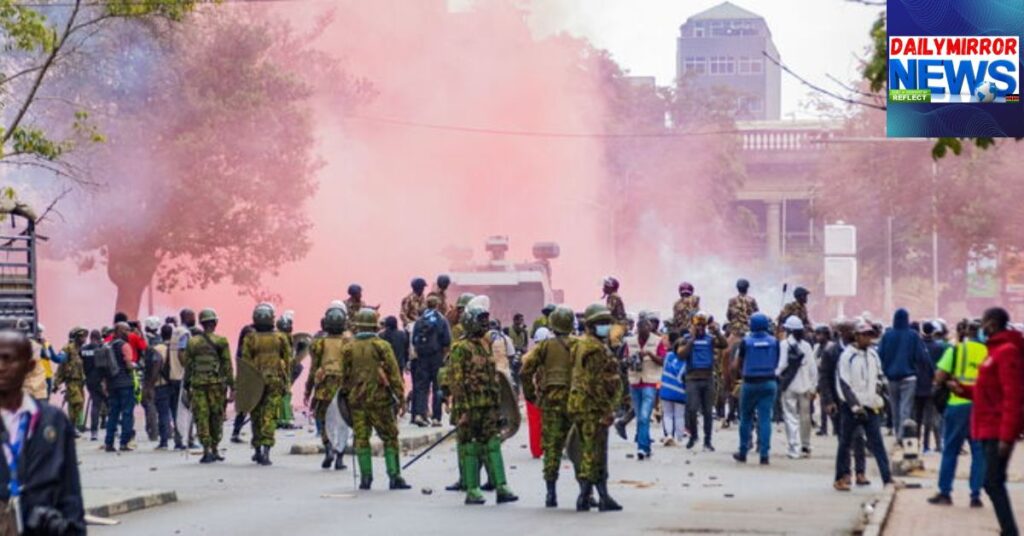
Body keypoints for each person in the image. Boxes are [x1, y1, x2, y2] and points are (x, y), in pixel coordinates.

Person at [0, 330, 86, 535]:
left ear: (29, 367)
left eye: (8, 359)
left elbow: (70, 491)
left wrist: (72, 528)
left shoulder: (53, 420)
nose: (1, 367)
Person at [948, 307, 1023, 536]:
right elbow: (988, 391)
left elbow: (1013, 395)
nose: (982, 327)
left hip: (997, 427)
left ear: (992, 323)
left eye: (984, 322)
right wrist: (963, 390)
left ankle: (1010, 531)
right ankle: (1008, 530)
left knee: (992, 482)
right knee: (993, 482)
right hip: (986, 425)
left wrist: (1007, 435)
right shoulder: (993, 352)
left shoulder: (1006, 352)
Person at [448, 299, 518, 505]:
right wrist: (462, 410)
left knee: (493, 443)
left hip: (488, 405)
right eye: (481, 320)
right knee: (470, 446)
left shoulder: (485, 345)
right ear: (470, 322)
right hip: (470, 407)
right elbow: (457, 381)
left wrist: (499, 407)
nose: (485, 324)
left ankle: (502, 487)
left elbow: (494, 377)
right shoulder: (460, 348)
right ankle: (472, 489)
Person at [340, 309, 409, 491]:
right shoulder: (382, 346)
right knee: (390, 436)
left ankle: (365, 479)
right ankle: (394, 476)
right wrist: (401, 398)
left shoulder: (348, 348)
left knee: (361, 438)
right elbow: (394, 374)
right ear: (374, 325)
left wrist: (347, 397)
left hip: (357, 402)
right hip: (380, 402)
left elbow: (344, 379)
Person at [568, 304, 622, 512]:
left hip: (582, 405)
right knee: (593, 451)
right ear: (590, 326)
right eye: (601, 323)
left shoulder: (582, 344)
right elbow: (595, 383)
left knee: (593, 450)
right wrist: (607, 409)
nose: (606, 326)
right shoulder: (594, 349)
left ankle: (602, 495)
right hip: (593, 408)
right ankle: (585, 495)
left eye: (607, 322)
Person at [928, 319, 988, 507]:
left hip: (957, 406)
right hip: (981, 408)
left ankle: (945, 493)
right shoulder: (991, 353)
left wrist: (948, 383)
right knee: (979, 453)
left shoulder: (955, 350)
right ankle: (975, 496)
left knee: (951, 451)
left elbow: (938, 377)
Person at [520, 306, 576, 507]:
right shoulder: (580, 345)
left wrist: (530, 395)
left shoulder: (544, 347)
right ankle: (586, 491)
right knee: (580, 446)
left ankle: (551, 493)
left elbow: (525, 371)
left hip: (550, 401)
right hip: (575, 402)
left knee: (551, 448)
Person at [834, 322, 896, 491]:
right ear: (857, 336)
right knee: (845, 443)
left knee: (878, 444)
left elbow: (879, 377)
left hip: (870, 405)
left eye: (870, 335)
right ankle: (840, 478)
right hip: (852, 407)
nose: (868, 338)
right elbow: (844, 383)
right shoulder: (847, 356)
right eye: (865, 335)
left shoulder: (873, 356)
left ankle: (887, 479)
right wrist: (855, 406)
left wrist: (880, 395)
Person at [241, 303, 292, 466]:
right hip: (275, 380)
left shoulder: (250, 338)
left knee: (256, 415)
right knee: (270, 415)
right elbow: (288, 360)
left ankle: (256, 449)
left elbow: (245, 362)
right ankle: (266, 450)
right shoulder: (280, 338)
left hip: (255, 380)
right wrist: (287, 381)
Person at [182, 309, 233, 464]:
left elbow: (188, 366)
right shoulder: (221, 341)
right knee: (216, 416)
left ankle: (206, 450)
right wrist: (233, 387)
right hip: (217, 386)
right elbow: (227, 365)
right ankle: (215, 448)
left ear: (202, 323)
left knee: (201, 417)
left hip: (198, 386)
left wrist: (186, 385)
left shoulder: (193, 342)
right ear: (215, 323)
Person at [305, 306, 350, 470]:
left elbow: (313, 369)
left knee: (323, 419)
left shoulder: (318, 343)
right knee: (343, 421)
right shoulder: (349, 342)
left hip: (324, 385)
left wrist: (307, 390)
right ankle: (339, 457)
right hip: (344, 387)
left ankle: (328, 449)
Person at [733, 313, 779, 465]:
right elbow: (777, 360)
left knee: (745, 418)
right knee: (765, 419)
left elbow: (737, 363)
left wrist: (740, 373)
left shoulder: (746, 342)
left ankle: (743, 451)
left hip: (750, 383)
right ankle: (764, 454)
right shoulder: (774, 341)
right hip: (769, 383)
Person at [676, 312, 726, 451]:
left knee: (708, 412)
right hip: (692, 379)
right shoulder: (685, 339)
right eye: (698, 325)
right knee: (692, 409)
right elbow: (680, 355)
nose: (700, 328)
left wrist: (716, 331)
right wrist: (691, 341)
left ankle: (707, 440)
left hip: (708, 378)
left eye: (702, 325)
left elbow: (724, 344)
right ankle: (694, 436)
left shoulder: (710, 339)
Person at [878, 308, 929, 443]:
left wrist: (885, 369)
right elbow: (921, 357)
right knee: (905, 408)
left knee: (894, 408)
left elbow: (880, 355)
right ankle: (902, 435)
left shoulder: (887, 335)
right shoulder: (913, 335)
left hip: (891, 378)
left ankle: (897, 435)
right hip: (909, 378)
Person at [622, 313, 666, 460]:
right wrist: (631, 360)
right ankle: (645, 446)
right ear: (637, 329)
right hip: (635, 382)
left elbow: (662, 361)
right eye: (641, 328)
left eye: (646, 327)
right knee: (641, 416)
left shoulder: (658, 341)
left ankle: (641, 447)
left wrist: (649, 354)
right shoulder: (629, 341)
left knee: (644, 415)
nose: (644, 331)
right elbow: (623, 361)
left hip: (650, 382)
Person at [777, 316, 817, 459]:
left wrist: (775, 374)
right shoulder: (806, 345)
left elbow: (782, 365)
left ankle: (794, 447)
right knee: (805, 418)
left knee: (790, 417)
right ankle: (805, 445)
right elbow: (813, 368)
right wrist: (814, 386)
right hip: (805, 386)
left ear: (788, 330)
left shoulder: (784, 344)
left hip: (790, 386)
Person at [411, 295, 451, 428]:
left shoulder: (420, 320)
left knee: (422, 387)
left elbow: (413, 340)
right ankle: (436, 418)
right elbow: (447, 340)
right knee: (437, 387)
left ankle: (419, 414)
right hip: (437, 357)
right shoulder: (441, 319)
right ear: (438, 305)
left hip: (422, 357)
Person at [104, 322, 137, 452]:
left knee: (113, 414)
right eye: (127, 330)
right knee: (127, 413)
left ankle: (109, 443)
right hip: (125, 384)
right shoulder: (125, 345)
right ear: (121, 331)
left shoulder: (108, 345)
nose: (129, 332)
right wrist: (134, 366)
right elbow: (128, 365)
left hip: (112, 384)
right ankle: (124, 442)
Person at [168, 308, 196, 450]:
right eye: (193, 316)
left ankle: (179, 440)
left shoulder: (175, 331)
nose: (195, 318)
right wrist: (188, 369)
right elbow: (181, 353)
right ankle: (187, 440)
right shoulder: (185, 333)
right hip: (181, 375)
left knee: (176, 410)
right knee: (187, 410)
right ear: (187, 317)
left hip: (173, 374)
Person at [54, 327, 88, 437]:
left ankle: (71, 428)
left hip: (80, 382)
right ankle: (72, 427)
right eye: (82, 336)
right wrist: (57, 382)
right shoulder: (67, 349)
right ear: (76, 337)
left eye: (84, 336)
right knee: (77, 402)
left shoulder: (82, 349)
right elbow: (61, 367)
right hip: (71, 381)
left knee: (76, 405)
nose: (84, 339)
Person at [920, 321, 949, 452]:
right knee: (935, 417)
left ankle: (923, 445)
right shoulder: (940, 347)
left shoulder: (920, 346)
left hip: (921, 385)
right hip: (936, 385)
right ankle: (938, 444)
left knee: (921, 418)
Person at [659, 334, 687, 447]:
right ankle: (680, 438)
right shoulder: (687, 361)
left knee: (667, 414)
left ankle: (669, 435)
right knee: (679, 416)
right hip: (680, 392)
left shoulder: (668, 356)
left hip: (666, 389)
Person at [230, 325, 255, 444]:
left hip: (246, 380)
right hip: (246, 380)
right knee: (245, 409)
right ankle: (236, 432)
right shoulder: (244, 350)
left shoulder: (243, 349)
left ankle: (236, 432)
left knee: (244, 409)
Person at [81, 329, 106, 441]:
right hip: (100, 380)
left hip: (89, 380)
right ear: (99, 338)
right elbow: (103, 366)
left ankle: (94, 432)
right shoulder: (100, 349)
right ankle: (114, 428)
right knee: (111, 403)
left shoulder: (83, 350)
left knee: (95, 405)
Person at [152, 324, 174, 450]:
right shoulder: (176, 347)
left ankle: (164, 441)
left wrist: (149, 385)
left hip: (161, 384)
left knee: (163, 413)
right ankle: (180, 441)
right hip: (176, 383)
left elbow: (154, 368)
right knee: (177, 413)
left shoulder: (157, 348)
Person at [813, 324, 836, 436]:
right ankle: (823, 427)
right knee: (822, 404)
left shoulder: (831, 347)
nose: (818, 336)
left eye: (820, 334)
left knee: (831, 404)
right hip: (820, 377)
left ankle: (835, 427)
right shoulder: (817, 348)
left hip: (830, 378)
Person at [601, 277, 627, 349]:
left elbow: (609, 311)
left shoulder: (614, 296)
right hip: (613, 323)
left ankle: (618, 353)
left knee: (613, 337)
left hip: (619, 324)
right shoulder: (610, 297)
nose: (604, 288)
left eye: (606, 286)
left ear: (611, 288)